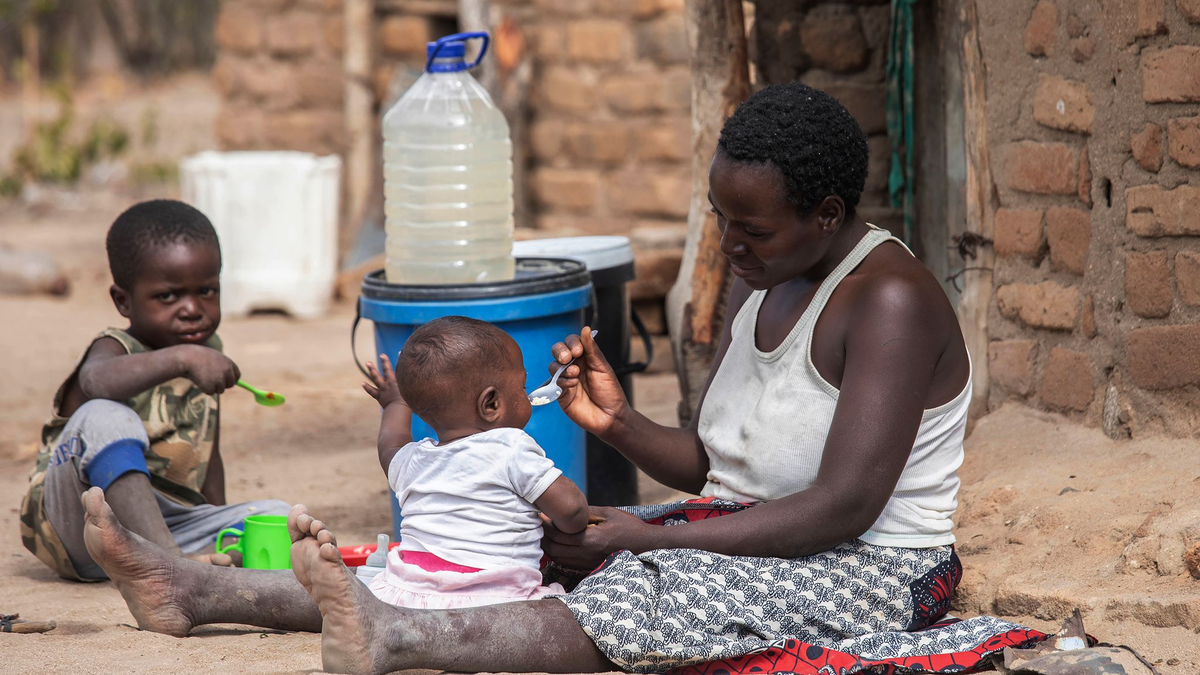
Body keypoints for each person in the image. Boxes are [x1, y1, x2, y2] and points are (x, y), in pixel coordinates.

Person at [77, 83, 1038, 674]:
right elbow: (716, 466)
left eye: (752, 229)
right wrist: (620, 427)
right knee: (494, 544)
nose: (728, 248)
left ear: (828, 213)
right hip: (756, 535)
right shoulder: (771, 283)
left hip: (873, 570)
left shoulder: (891, 299)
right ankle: (196, 590)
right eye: (720, 219)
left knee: (634, 596)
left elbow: (843, 505)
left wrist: (653, 543)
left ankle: (395, 639)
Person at [19, 200, 290, 581]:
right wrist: (183, 358)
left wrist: (217, 520)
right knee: (106, 417)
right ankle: (172, 568)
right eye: (168, 296)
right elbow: (95, 383)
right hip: (81, 527)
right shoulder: (115, 349)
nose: (192, 308)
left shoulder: (207, 353)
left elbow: (207, 452)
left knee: (278, 516)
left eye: (207, 291)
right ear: (123, 301)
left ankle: (171, 560)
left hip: (161, 528)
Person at [359, 316, 588, 608]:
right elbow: (573, 511)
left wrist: (395, 404)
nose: (526, 395)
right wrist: (569, 521)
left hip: (409, 595)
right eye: (522, 387)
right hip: (496, 599)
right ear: (491, 404)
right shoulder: (509, 447)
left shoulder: (410, 460)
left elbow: (390, 442)